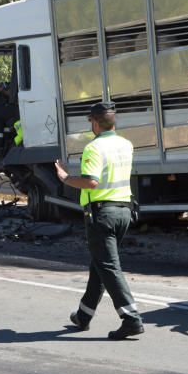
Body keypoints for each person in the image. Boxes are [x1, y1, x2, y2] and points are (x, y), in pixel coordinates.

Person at [55, 101, 143, 340]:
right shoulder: (126, 144)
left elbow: (91, 181)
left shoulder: (94, 148)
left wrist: (65, 177)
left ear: (94, 122)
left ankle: (131, 319)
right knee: (100, 265)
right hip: (124, 211)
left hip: (102, 214)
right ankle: (83, 316)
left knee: (108, 266)